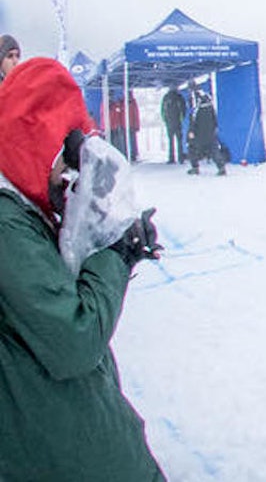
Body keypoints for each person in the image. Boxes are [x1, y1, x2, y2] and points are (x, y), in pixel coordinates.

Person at [0, 58, 164, 481]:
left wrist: (99, 229)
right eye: (62, 156)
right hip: (58, 445)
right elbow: (73, 338)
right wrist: (115, 254)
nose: (69, 174)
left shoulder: (22, 204)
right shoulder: (6, 222)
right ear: (31, 140)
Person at [186, 89, 226, 176]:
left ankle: (195, 168)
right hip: (210, 132)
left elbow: (193, 120)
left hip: (198, 133)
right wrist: (215, 129)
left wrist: (191, 131)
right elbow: (214, 119)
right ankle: (221, 168)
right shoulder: (210, 105)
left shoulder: (196, 107)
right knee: (214, 150)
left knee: (192, 148)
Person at [161, 84, 187, 164]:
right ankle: (180, 158)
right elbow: (184, 109)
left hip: (169, 122)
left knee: (170, 141)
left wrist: (165, 120)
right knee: (179, 141)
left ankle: (171, 158)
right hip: (178, 122)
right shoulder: (179, 97)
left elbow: (162, 110)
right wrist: (181, 119)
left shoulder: (165, 97)